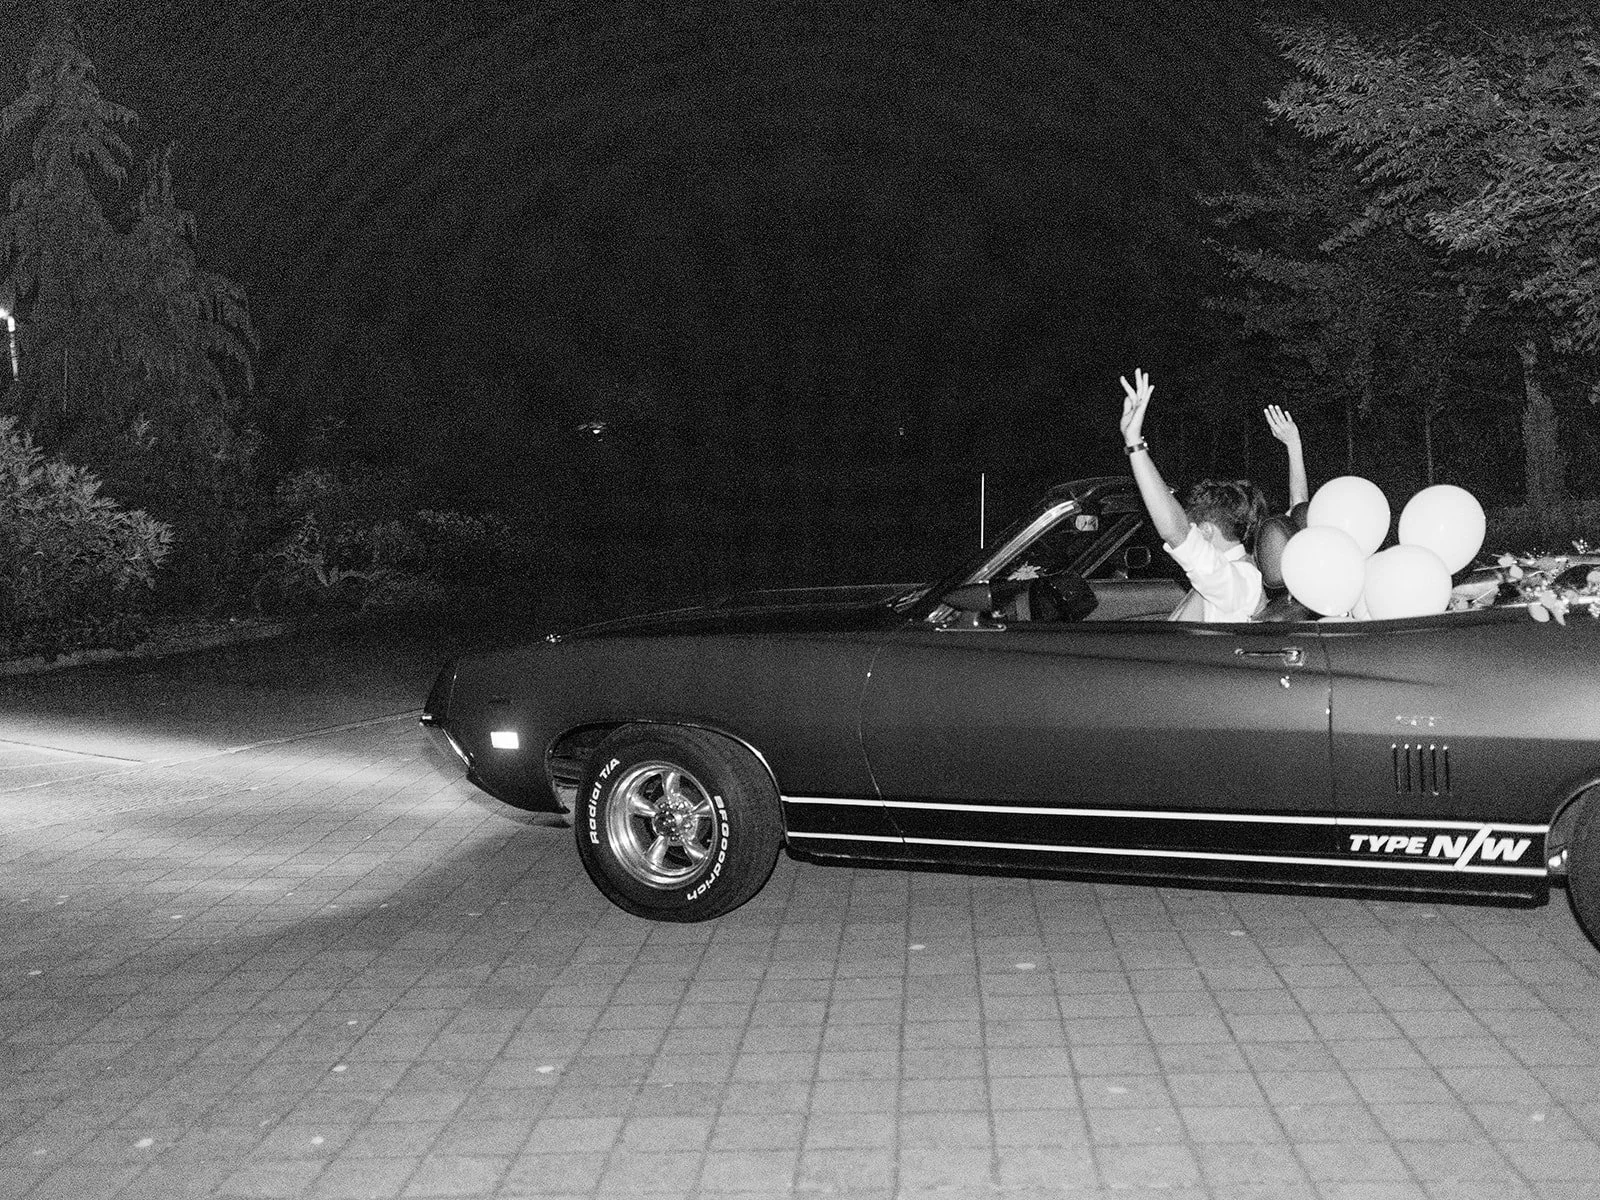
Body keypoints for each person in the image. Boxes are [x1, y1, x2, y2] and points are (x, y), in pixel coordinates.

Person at [1119, 368, 1268, 622]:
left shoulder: (1240, 583)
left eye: (1193, 528)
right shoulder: (1227, 578)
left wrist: (1135, 443)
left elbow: (1175, 531)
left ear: (1207, 531)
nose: (1189, 533)